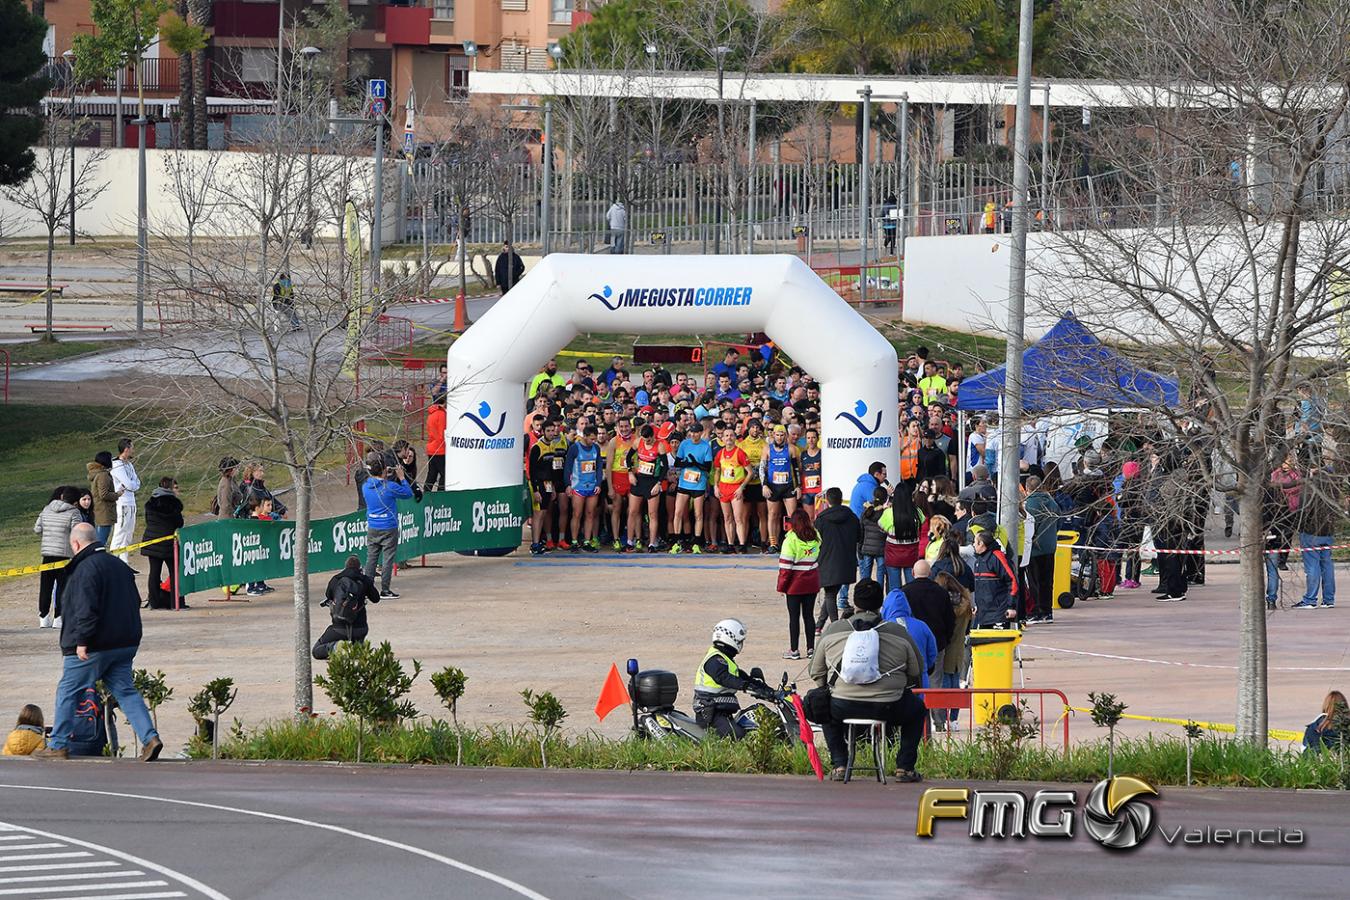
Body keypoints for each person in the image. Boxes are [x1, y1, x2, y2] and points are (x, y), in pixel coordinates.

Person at [33, 523, 163, 762]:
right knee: (126, 691)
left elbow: (85, 608)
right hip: (124, 642)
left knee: (68, 690)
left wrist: (82, 641)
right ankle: (149, 738)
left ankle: (58, 744)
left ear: (76, 544)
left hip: (94, 645)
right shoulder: (119, 565)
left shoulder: (84, 569)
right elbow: (135, 601)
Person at [810, 578, 927, 783]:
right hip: (888, 706)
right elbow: (916, 669)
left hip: (843, 705)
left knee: (822, 706)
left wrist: (830, 688)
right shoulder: (898, 632)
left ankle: (839, 764)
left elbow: (816, 672)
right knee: (917, 710)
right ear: (880, 604)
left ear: (855, 603)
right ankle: (905, 767)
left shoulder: (834, 629)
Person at [691, 619, 771, 739]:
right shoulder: (715, 660)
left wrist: (766, 689)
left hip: (721, 712)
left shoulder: (725, 660)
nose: (741, 645)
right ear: (730, 639)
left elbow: (741, 677)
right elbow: (725, 678)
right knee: (737, 736)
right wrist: (747, 687)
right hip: (710, 713)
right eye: (740, 641)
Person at [312, 556, 382, 660]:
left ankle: (336, 647)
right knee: (357, 650)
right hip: (360, 629)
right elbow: (376, 598)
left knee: (316, 651)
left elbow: (328, 595)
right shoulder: (364, 580)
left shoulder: (336, 579)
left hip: (339, 629)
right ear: (359, 568)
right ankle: (360, 650)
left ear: (345, 566)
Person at [361, 457, 413, 599]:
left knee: (371, 559)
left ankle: (367, 590)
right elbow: (408, 493)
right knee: (387, 559)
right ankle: (385, 590)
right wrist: (401, 478)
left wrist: (385, 474)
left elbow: (375, 480)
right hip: (389, 526)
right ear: (384, 470)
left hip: (373, 526)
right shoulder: (389, 487)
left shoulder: (365, 486)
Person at [35, 486, 83, 629]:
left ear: (62, 497)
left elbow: (37, 529)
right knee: (63, 587)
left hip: (47, 554)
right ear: (76, 502)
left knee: (45, 587)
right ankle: (59, 617)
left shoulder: (46, 509)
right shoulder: (74, 512)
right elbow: (77, 532)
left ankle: (43, 617)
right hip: (65, 555)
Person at [898, 560, 955, 678]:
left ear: (913, 573)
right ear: (930, 573)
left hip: (911, 643)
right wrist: (946, 640)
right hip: (937, 642)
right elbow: (950, 619)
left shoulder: (903, 592)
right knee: (935, 681)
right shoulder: (941, 592)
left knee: (912, 680)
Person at [1292, 467, 1340, 609]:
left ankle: (1310, 599)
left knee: (1312, 566)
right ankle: (1329, 599)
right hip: (1328, 531)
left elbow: (1303, 511)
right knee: (1327, 565)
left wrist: (1299, 527)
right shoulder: (1333, 491)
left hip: (1311, 532)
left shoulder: (1310, 490)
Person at [777, 508, 821, 660]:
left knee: (794, 617)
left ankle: (794, 650)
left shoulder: (790, 540)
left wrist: (781, 587)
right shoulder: (817, 537)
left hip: (794, 584)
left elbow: (785, 568)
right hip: (812, 582)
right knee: (809, 616)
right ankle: (811, 649)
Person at [814, 487, 861, 630]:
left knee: (830, 594)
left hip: (827, 561)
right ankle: (819, 625)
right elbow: (859, 537)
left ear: (827, 501)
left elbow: (815, 541)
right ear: (841, 499)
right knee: (831, 593)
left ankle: (835, 626)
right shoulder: (852, 517)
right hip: (847, 561)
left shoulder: (821, 520)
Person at [933, 570, 973, 731]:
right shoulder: (965, 601)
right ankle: (954, 720)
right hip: (959, 648)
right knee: (955, 683)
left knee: (943, 685)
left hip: (945, 647)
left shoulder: (943, 606)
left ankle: (941, 719)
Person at [881, 583, 938, 687]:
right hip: (920, 679)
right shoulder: (922, 625)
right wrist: (925, 667)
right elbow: (932, 652)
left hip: (892, 680)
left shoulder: (883, 628)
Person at [141, 477, 184, 611]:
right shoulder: (173, 504)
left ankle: (154, 602)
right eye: (175, 487)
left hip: (152, 540)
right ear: (170, 488)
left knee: (154, 572)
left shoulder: (151, 502)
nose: (177, 490)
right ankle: (176, 602)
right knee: (175, 572)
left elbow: (148, 520)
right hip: (169, 543)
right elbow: (179, 523)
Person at [1022, 475, 1061, 624]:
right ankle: (1047, 611)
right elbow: (1059, 522)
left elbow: (1029, 526)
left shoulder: (1030, 504)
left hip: (1035, 548)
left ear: (1028, 488)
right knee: (1047, 580)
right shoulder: (1052, 502)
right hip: (1050, 546)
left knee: (1034, 580)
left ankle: (1037, 611)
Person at [670, 422, 712, 554]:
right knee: (678, 512)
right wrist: (687, 463)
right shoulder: (684, 444)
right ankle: (677, 542)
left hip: (698, 484)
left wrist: (696, 463)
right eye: (692, 432)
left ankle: (696, 543)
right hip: (684, 483)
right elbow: (677, 462)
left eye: (696, 433)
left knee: (698, 514)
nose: (693, 435)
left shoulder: (706, 446)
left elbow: (708, 467)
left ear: (701, 433)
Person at [529, 419, 569, 554]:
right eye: (548, 431)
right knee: (538, 514)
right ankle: (535, 544)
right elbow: (532, 470)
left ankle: (538, 543)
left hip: (548, 484)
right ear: (543, 431)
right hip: (538, 484)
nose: (552, 433)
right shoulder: (537, 447)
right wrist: (535, 490)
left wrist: (552, 488)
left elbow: (550, 470)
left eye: (553, 430)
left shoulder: (552, 446)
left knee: (543, 513)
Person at [713, 423, 751, 553]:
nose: (729, 438)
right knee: (727, 518)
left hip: (736, 488)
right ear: (722, 438)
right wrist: (716, 487)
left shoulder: (740, 453)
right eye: (726, 436)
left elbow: (750, 472)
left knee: (738, 518)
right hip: (723, 488)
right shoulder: (720, 453)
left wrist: (741, 487)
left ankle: (742, 544)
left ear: (735, 437)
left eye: (731, 435)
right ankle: (730, 544)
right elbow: (717, 471)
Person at [760, 425, 799, 552]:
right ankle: (773, 543)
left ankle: (792, 542)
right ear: (773, 435)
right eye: (777, 435)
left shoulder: (791, 449)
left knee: (792, 515)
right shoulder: (767, 449)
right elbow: (762, 469)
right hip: (773, 486)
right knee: (773, 515)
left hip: (788, 486)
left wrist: (798, 486)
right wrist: (764, 485)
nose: (780, 437)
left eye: (782, 435)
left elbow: (796, 469)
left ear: (785, 435)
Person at [564, 425, 603, 552]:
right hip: (578, 486)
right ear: (584, 436)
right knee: (577, 514)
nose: (593, 441)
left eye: (595, 439)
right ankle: (574, 541)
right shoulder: (575, 448)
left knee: (590, 514)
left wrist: (598, 484)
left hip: (592, 486)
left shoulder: (596, 448)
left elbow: (599, 467)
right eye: (591, 438)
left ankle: (587, 541)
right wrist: (568, 485)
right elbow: (568, 467)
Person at [879, 482, 924, 590]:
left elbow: (881, 528)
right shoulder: (917, 512)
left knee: (895, 589)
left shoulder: (888, 513)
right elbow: (922, 522)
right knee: (912, 587)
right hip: (911, 556)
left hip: (893, 556)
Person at [971, 530, 1019, 628]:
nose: (973, 545)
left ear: (981, 544)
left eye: (975, 542)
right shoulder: (979, 560)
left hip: (999, 613)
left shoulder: (998, 557)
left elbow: (1012, 581)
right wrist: (977, 606)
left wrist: (1011, 606)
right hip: (983, 614)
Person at [110, 438, 141, 563]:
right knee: (120, 531)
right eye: (132, 448)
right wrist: (131, 485)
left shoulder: (129, 464)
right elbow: (129, 484)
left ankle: (124, 561)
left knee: (129, 532)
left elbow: (137, 483)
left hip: (131, 502)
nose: (133, 450)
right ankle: (113, 561)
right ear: (126, 449)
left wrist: (132, 485)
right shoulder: (117, 466)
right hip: (122, 503)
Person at [86, 451, 118, 545]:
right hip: (104, 512)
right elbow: (103, 494)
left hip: (99, 511)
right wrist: (117, 495)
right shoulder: (103, 475)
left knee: (98, 540)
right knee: (101, 541)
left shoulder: (97, 474)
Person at [426, 396, 447, 492]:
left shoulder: (431, 414)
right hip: (440, 448)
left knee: (432, 474)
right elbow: (442, 432)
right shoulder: (442, 414)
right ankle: (440, 494)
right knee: (444, 475)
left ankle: (426, 494)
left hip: (431, 447)